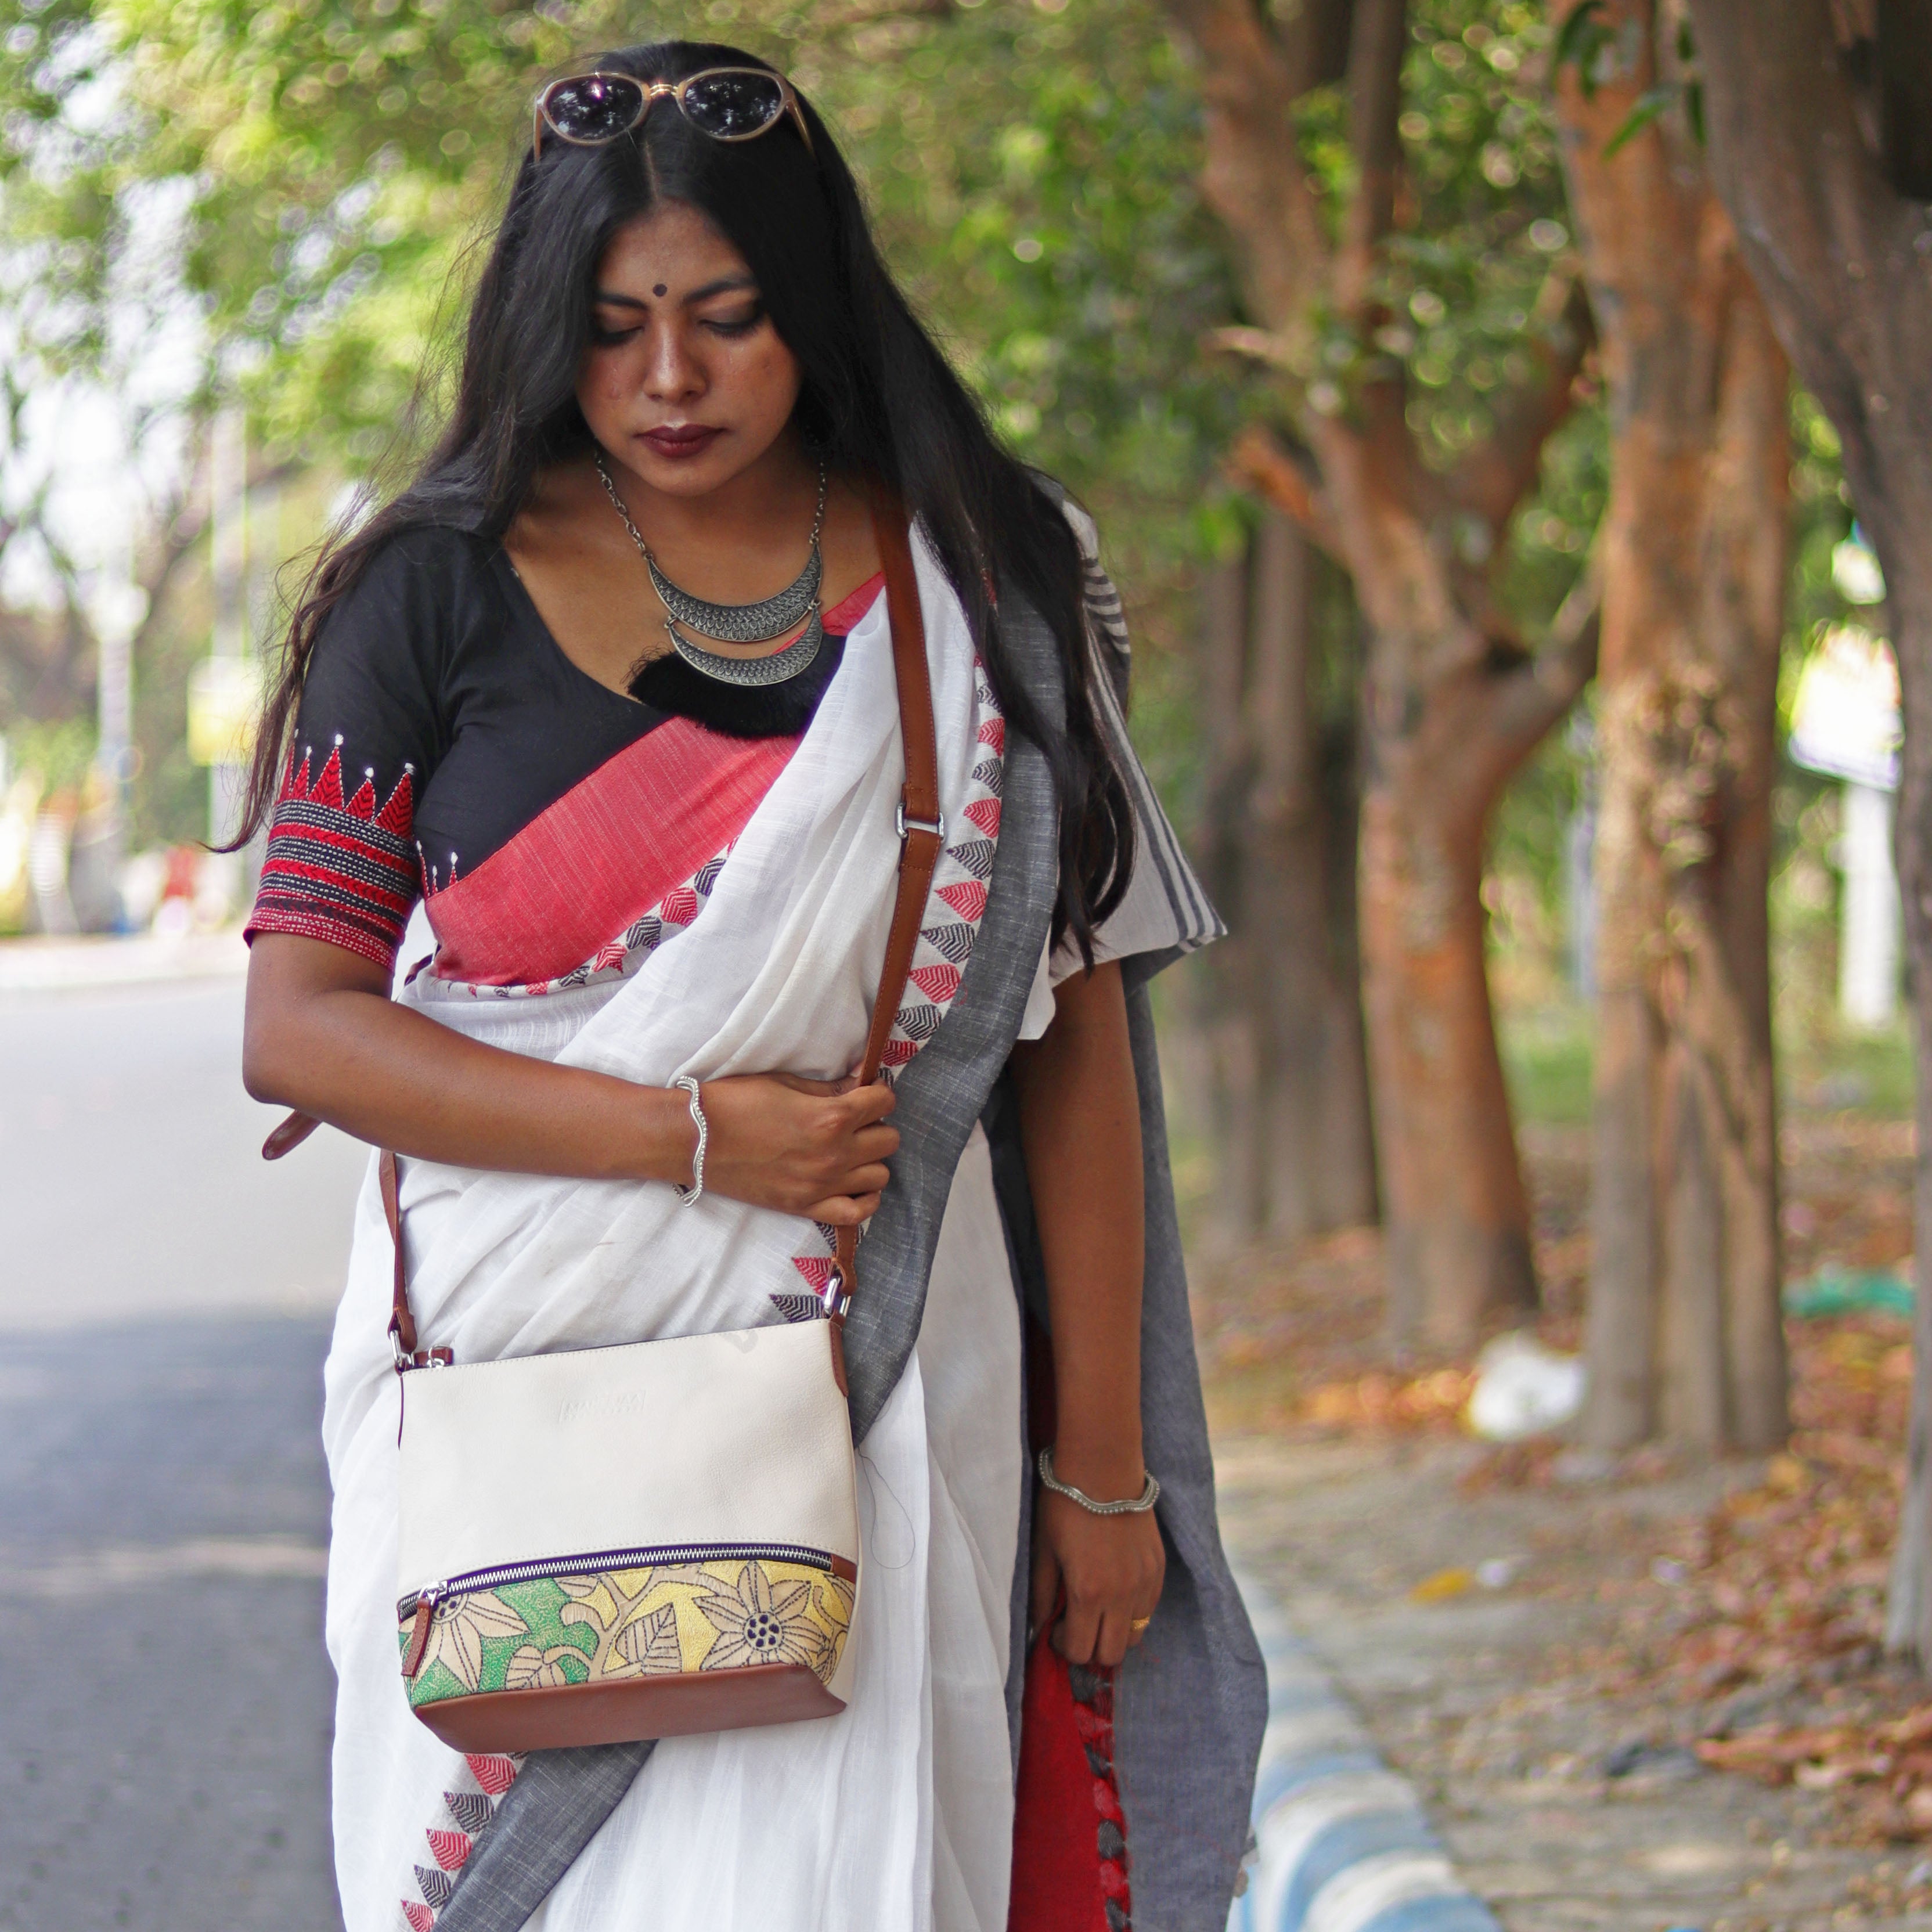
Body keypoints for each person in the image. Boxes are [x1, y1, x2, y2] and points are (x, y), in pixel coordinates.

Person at [238, 39, 1262, 1932]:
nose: (671, 379)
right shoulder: (424, 593)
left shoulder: (988, 581)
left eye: (728, 318)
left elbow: (1073, 1042)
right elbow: (299, 1028)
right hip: (508, 1410)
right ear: (550, 322)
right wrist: (692, 1138)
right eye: (617, 327)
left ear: (820, 308)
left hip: (883, 1392)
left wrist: (1103, 1479)